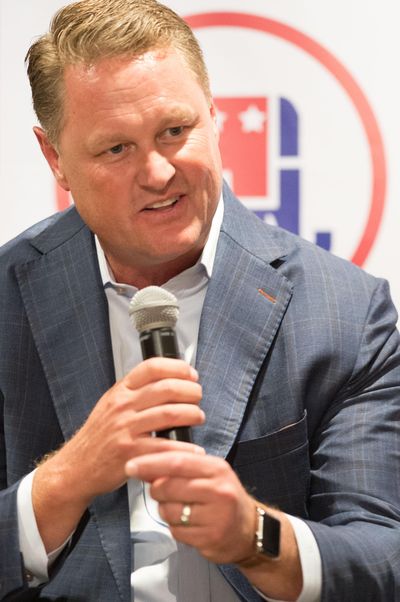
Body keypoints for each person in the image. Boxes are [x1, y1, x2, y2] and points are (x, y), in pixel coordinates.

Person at [1, 0, 400, 600]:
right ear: (54, 157)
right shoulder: (7, 300)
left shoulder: (345, 311)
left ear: (213, 117)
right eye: (116, 149)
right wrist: (67, 478)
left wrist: (254, 535)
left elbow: (382, 558)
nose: (159, 172)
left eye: (175, 130)